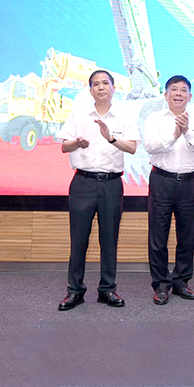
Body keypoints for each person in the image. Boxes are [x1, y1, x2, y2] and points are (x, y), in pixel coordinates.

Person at [57, 70, 139, 311]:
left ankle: (107, 290)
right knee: (78, 239)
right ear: (90, 90)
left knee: (109, 239)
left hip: (111, 185)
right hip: (83, 183)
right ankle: (75, 291)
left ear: (114, 88)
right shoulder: (79, 114)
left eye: (105, 83)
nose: (101, 87)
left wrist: (110, 138)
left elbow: (132, 148)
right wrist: (77, 143)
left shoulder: (124, 116)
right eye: (96, 84)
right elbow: (64, 146)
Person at [144, 75, 194, 305]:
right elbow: (150, 146)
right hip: (162, 180)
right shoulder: (154, 118)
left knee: (187, 236)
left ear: (189, 96)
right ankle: (161, 284)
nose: (178, 93)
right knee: (158, 237)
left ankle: (181, 282)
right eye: (174, 89)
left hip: (190, 183)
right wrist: (174, 136)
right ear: (166, 94)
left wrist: (187, 130)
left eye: (183, 90)